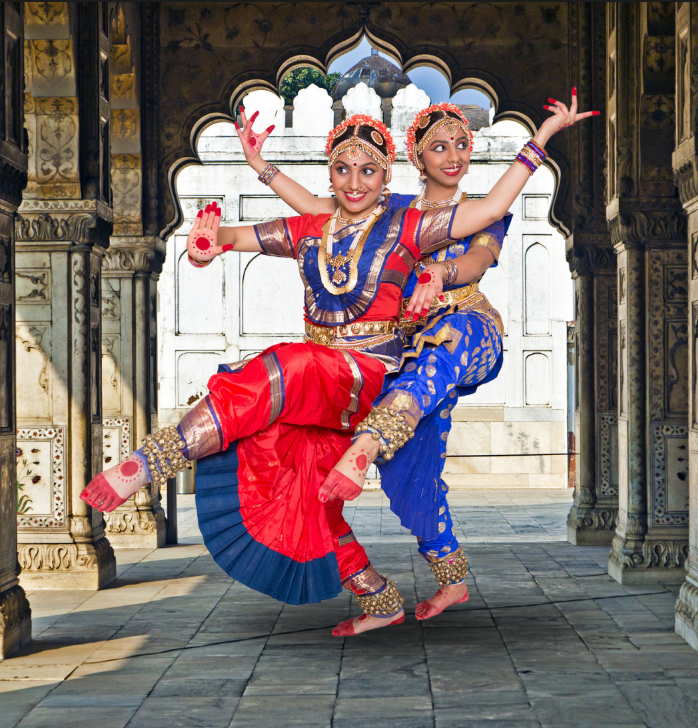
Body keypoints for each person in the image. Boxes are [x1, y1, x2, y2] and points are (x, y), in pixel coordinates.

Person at [82, 95, 596, 636]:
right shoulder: (322, 225)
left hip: (391, 364)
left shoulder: (410, 225)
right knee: (305, 488)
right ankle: (379, 597)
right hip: (354, 378)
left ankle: (151, 460)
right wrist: (211, 240)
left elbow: (489, 215)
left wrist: (541, 138)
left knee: (293, 366)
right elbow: (246, 232)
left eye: (369, 170)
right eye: (344, 169)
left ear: (387, 173)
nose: (355, 181)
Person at [232, 95, 584, 620]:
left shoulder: (476, 215)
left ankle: (367, 445)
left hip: (467, 333)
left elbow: (477, 255)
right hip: (405, 358)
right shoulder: (393, 213)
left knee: (435, 358)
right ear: (416, 160)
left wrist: (545, 135)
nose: (453, 156)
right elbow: (319, 209)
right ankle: (450, 576)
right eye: (438, 147)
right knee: (411, 474)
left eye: (462, 144)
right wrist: (261, 167)